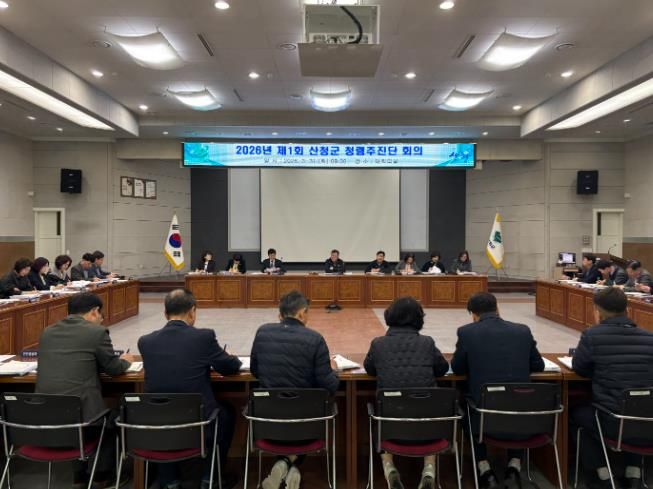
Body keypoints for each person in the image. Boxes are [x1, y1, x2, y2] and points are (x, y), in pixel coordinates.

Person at [138, 289, 241, 489]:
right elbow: (230, 367)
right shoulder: (203, 337)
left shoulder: (145, 342)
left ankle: (169, 481)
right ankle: (210, 479)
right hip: (198, 423)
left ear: (165, 313)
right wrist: (229, 356)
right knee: (226, 412)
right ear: (192, 311)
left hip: (157, 422)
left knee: (165, 419)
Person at [36, 292, 130, 488]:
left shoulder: (47, 332)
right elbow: (113, 369)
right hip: (82, 419)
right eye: (101, 315)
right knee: (114, 418)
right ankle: (101, 477)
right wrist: (125, 361)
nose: (101, 319)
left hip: (45, 417)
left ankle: (78, 477)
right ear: (94, 311)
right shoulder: (96, 332)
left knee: (71, 409)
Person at [451, 292, 545, 489]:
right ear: (498, 308)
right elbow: (538, 365)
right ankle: (514, 466)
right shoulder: (522, 331)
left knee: (465, 407)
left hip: (484, 416)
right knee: (515, 405)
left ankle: (484, 468)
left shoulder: (467, 332)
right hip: (523, 415)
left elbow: (458, 368)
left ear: (473, 314)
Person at [250, 291, 339, 489]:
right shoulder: (315, 339)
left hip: (268, 423)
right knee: (304, 413)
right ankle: (291, 464)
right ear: (301, 313)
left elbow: (255, 371)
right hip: (306, 425)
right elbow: (330, 386)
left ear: (280, 314)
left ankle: (284, 463)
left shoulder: (262, 333)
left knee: (293, 414)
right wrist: (334, 370)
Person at [571, 287, 653, 489]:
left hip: (611, 421)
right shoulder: (649, 338)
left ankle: (603, 474)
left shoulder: (592, 335)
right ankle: (634, 472)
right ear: (627, 309)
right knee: (636, 408)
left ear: (597, 311)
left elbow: (580, 368)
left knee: (577, 415)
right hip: (648, 422)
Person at [364, 297, 449, 489]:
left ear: (390, 316)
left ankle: (389, 467)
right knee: (429, 409)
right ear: (419, 319)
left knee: (381, 411)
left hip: (391, 429)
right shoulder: (427, 343)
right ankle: (429, 469)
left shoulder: (378, 344)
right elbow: (442, 369)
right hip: (427, 428)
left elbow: (369, 369)